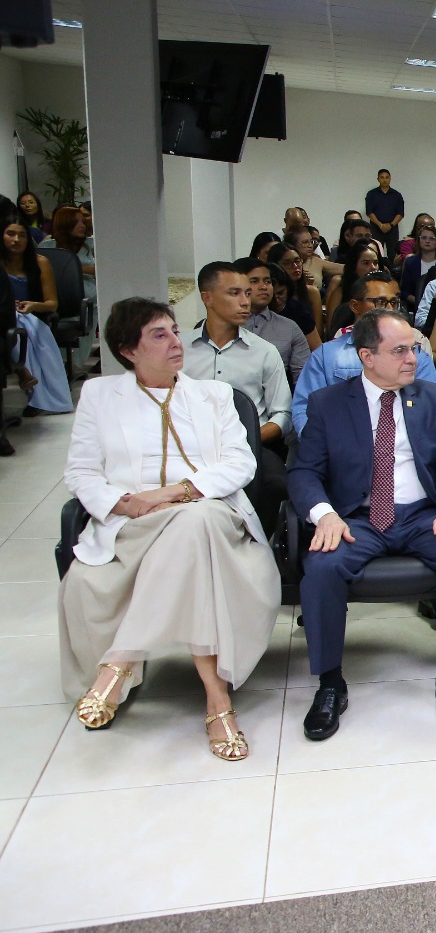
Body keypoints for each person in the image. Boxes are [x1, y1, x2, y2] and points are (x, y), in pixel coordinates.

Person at [61, 296, 280, 760]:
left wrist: (171, 494)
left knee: (194, 521)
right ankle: (216, 698)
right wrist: (122, 502)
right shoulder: (100, 397)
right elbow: (80, 472)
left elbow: (241, 464)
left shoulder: (214, 396)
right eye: (159, 335)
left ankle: (119, 661)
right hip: (133, 525)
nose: (176, 342)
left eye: (176, 331)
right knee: (186, 545)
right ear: (128, 351)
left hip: (212, 516)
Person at [289, 308, 436, 741]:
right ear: (367, 356)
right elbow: (303, 471)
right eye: (399, 350)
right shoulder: (329, 403)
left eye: (414, 348)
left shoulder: (433, 398)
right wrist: (323, 514)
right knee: (322, 567)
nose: (412, 358)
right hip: (356, 516)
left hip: (423, 513)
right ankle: (330, 683)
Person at [183, 261, 291, 531]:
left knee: (276, 482)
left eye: (247, 293)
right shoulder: (180, 350)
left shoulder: (264, 351)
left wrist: (248, 436)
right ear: (207, 298)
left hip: (250, 445)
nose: (245, 301)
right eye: (234, 293)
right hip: (190, 445)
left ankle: (258, 544)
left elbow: (282, 414)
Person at [292, 272, 436, 434]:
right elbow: (304, 408)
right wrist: (321, 448)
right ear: (355, 306)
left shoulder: (416, 356)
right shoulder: (326, 356)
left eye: (394, 302)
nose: (390, 309)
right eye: (380, 302)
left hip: (402, 446)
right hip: (339, 444)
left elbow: (431, 409)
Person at [5, 215, 73, 415]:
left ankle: (27, 377)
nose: (16, 240)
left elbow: (52, 304)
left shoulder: (40, 262)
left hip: (32, 316)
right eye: (10, 234)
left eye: (22, 235)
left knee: (18, 328)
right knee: (11, 323)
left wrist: (33, 305)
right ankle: (24, 373)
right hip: (5, 316)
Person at [238, 257, 311, 384]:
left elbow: (304, 380)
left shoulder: (289, 328)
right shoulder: (223, 326)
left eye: (267, 281)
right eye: (254, 281)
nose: (263, 287)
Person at [266, 242, 324, 345]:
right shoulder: (265, 295)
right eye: (287, 263)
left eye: (298, 261)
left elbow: (318, 333)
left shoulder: (311, 292)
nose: (295, 266)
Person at [323, 240, 383, 336]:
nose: (373, 268)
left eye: (375, 263)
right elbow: (332, 328)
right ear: (354, 266)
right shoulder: (341, 290)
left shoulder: (385, 289)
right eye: (366, 263)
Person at [400, 225, 436, 309]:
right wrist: (419, 301)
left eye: (432, 238)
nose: (427, 241)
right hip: (415, 306)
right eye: (424, 238)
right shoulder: (410, 262)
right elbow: (404, 292)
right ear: (418, 241)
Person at [364, 169, 405, 258]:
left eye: (387, 177)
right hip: (376, 228)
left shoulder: (397, 195)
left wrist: (390, 225)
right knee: (376, 253)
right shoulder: (371, 194)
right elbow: (369, 212)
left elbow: (400, 213)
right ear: (378, 179)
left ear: (390, 179)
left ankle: (392, 272)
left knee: (393, 254)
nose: (385, 180)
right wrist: (380, 225)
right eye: (382, 177)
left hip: (392, 229)